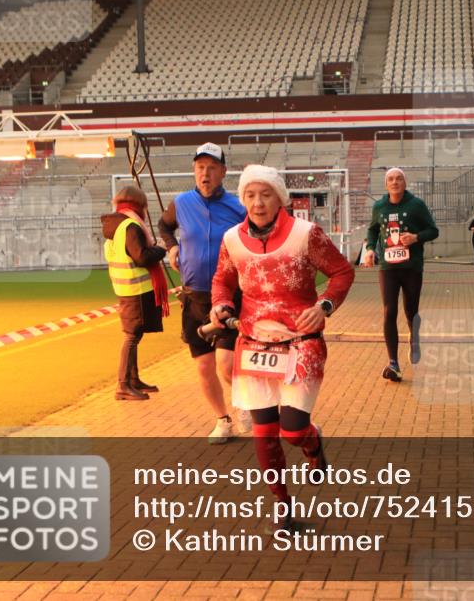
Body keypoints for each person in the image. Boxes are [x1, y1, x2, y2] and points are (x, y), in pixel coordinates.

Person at [209, 164, 354, 530]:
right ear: (242, 199)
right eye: (250, 195)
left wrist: (324, 306)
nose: (258, 203)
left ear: (280, 198)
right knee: (263, 432)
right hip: (253, 343)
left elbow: (342, 271)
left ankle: (312, 445)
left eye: (266, 194)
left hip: (300, 344)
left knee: (291, 430)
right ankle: (283, 505)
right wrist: (221, 305)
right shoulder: (231, 240)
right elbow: (223, 280)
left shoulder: (306, 234)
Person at [158, 142, 248, 443]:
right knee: (204, 367)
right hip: (194, 296)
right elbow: (163, 225)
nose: (205, 173)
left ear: (223, 172)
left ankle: (244, 402)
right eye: (200, 168)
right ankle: (223, 420)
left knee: (225, 363)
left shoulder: (238, 208)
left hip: (227, 296)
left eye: (211, 168)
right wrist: (171, 247)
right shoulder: (181, 203)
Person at [362, 167, 439, 382]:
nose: (395, 182)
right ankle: (393, 363)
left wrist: (415, 237)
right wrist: (370, 249)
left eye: (399, 179)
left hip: (412, 266)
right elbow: (373, 230)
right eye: (390, 179)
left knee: (411, 311)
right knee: (389, 311)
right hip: (388, 268)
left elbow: (433, 230)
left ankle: (414, 339)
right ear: (386, 184)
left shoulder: (416, 205)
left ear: (405, 183)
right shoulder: (379, 206)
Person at [101, 186, 169, 401]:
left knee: (134, 334)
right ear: (139, 204)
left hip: (125, 287)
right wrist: (161, 249)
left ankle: (133, 379)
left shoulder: (114, 226)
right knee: (132, 336)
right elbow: (141, 257)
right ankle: (123, 384)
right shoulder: (130, 226)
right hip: (136, 289)